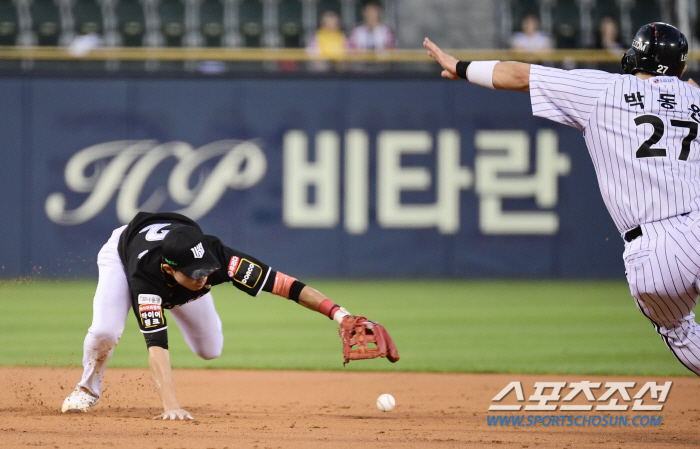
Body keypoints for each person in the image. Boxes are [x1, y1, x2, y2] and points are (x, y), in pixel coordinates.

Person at [424, 22, 700, 377]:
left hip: (654, 255)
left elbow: (519, 75)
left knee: (678, 330)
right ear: (681, 67)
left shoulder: (604, 88)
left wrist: (460, 67)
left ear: (635, 58)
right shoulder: (695, 98)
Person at [61, 211, 395, 419]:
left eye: (205, 269)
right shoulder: (145, 279)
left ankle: (180, 304)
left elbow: (286, 286)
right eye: (194, 273)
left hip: (176, 288)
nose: (203, 276)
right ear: (169, 268)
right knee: (106, 330)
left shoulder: (218, 259)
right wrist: (170, 407)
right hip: (123, 253)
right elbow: (157, 348)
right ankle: (87, 389)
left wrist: (340, 314)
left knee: (211, 350)